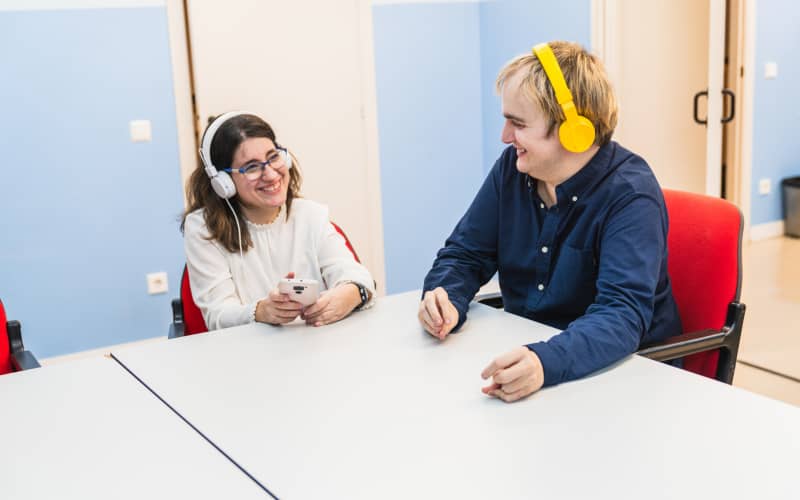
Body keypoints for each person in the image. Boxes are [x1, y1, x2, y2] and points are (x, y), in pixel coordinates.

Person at [418, 41, 681, 402]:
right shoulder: (513, 169)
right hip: (535, 365)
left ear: (574, 131)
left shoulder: (630, 195)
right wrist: (445, 296)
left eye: (518, 124)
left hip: (623, 376)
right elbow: (466, 254)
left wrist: (545, 361)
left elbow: (620, 315)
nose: (505, 137)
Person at [182, 111, 374, 330]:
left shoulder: (310, 215)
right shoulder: (202, 229)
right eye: (252, 167)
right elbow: (218, 315)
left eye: (273, 157)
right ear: (222, 181)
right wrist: (261, 311)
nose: (272, 175)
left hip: (314, 348)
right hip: (245, 356)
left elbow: (358, 276)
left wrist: (350, 292)